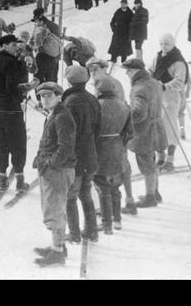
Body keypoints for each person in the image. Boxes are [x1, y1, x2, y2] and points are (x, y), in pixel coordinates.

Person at [31, 82, 76, 267]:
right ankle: (58, 246)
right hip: (53, 169)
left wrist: (50, 164)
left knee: (55, 211)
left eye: (49, 95)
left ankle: (57, 253)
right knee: (53, 208)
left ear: (59, 96)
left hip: (58, 170)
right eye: (42, 96)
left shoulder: (62, 117)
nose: (45, 99)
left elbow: (65, 147)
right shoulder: (55, 114)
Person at [121, 59, 167, 208]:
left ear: (135, 70)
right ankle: (155, 192)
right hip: (157, 127)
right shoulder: (154, 82)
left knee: (146, 164)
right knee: (151, 160)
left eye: (128, 70)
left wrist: (125, 112)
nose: (127, 74)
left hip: (144, 131)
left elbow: (138, 113)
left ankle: (150, 197)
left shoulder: (139, 88)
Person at [62, 66, 101, 244]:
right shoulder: (93, 99)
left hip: (75, 159)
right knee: (86, 193)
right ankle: (92, 230)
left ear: (70, 81)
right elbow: (98, 128)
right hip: (91, 154)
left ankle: (75, 233)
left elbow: (67, 133)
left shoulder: (69, 102)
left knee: (70, 196)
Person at [0, 35, 31, 193]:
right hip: (11, 108)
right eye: (13, 45)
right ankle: (20, 181)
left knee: (1, 143)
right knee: (18, 143)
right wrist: (23, 94)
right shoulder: (11, 62)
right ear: (4, 45)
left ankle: (2, 179)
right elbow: (12, 87)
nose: (16, 48)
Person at [93, 78, 133, 234]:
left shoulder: (95, 106)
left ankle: (106, 223)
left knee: (102, 186)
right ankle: (117, 220)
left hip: (100, 149)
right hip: (117, 148)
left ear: (99, 91)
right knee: (115, 186)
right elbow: (130, 132)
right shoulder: (124, 106)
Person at [148, 33, 190, 172]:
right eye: (161, 44)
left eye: (166, 44)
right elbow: (151, 71)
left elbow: (179, 81)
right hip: (157, 97)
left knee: (170, 128)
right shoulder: (157, 57)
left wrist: (165, 86)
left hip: (171, 97)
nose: (163, 47)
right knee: (157, 127)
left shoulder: (178, 61)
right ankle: (160, 157)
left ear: (172, 45)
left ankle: (170, 160)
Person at [31, 17, 60, 84]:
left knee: (38, 80)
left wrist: (33, 45)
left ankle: (39, 94)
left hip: (42, 58)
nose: (35, 23)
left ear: (41, 22)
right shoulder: (49, 30)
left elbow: (37, 44)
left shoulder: (39, 30)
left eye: (36, 21)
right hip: (53, 58)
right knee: (51, 81)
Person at [108, 0, 133, 64]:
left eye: (124, 4)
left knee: (125, 48)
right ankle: (113, 59)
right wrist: (114, 29)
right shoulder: (118, 11)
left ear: (126, 4)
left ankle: (123, 60)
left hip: (126, 33)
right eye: (122, 4)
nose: (123, 5)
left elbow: (132, 23)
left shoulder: (130, 12)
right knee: (115, 45)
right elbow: (112, 22)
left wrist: (130, 31)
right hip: (117, 33)